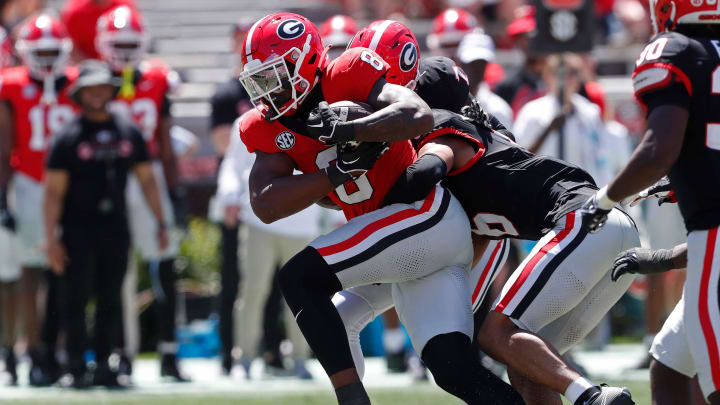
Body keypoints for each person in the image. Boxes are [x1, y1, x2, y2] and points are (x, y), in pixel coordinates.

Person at [238, 12, 523, 405]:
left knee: (300, 278)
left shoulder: (348, 75)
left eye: (274, 75)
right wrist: (337, 172)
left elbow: (415, 114)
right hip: (393, 240)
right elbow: (265, 203)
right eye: (258, 80)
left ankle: (353, 401)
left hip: (423, 218)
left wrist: (351, 130)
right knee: (451, 368)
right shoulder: (270, 124)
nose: (266, 91)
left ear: (305, 61)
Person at [351, 54, 638, 405]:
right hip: (609, 230)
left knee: (497, 333)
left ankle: (592, 396)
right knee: (526, 363)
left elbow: (423, 174)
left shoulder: (442, 127)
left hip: (585, 221)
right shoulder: (487, 135)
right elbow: (478, 240)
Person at [581, 1, 720, 403]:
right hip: (709, 240)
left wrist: (605, 200)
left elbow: (660, 147)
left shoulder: (673, 50)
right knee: (670, 367)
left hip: (714, 237)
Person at [44, 60, 167, 388]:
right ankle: (74, 365)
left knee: (111, 297)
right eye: (90, 88)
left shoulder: (127, 131)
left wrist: (160, 221)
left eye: (102, 86)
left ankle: (105, 364)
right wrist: (51, 237)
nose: (97, 93)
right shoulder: (68, 135)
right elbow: (53, 192)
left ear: (112, 89)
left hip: (115, 226)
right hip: (77, 228)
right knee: (76, 298)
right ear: (79, 93)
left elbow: (147, 181)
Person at [94, 5, 187, 381]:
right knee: (116, 272)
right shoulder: (92, 81)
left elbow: (165, 140)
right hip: (107, 181)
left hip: (149, 180)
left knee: (164, 266)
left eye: (131, 43)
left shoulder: (158, 77)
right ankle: (123, 353)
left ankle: (168, 352)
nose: (126, 50)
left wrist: (176, 190)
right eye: (119, 43)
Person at [0, 13, 77, 386]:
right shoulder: (11, 85)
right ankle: (30, 351)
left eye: (52, 51)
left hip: (74, 187)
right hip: (29, 185)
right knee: (31, 270)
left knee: (67, 271)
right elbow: (4, 145)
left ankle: (59, 348)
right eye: (39, 51)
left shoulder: (80, 82)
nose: (46, 60)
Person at [218, 120, 324, 379]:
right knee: (253, 291)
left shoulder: (314, 116)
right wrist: (230, 196)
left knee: (302, 294)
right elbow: (234, 164)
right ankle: (243, 359)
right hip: (260, 221)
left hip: (303, 221)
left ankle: (300, 357)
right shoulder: (250, 121)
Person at [208, 17, 254, 374]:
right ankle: (229, 352)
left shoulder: (272, 88)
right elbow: (227, 146)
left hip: (271, 192)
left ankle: (272, 349)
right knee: (234, 279)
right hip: (239, 192)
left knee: (272, 281)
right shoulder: (228, 94)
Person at [513, 54, 610, 184]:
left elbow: (601, 159)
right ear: (547, 76)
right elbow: (518, 158)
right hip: (545, 191)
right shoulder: (532, 112)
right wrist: (547, 131)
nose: (568, 79)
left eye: (574, 73)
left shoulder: (590, 112)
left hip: (584, 192)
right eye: (561, 73)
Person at [494, 5, 547, 116]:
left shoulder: (569, 80)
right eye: (519, 37)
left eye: (531, 35)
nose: (525, 42)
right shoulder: (507, 87)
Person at [456, 29, 513, 128]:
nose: (476, 69)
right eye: (471, 63)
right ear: (460, 63)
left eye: (481, 63)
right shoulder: (447, 103)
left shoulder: (499, 109)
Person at [60, 0, 137, 61]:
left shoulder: (125, 7)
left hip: (122, 64)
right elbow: (72, 48)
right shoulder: (74, 11)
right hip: (85, 67)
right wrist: (91, 66)